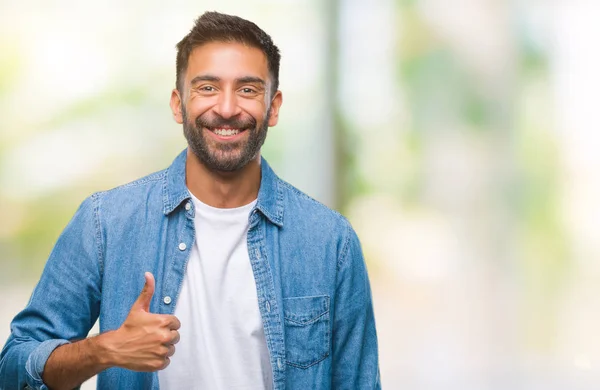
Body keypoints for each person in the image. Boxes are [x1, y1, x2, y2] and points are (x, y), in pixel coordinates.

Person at [0, 11, 380, 390]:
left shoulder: (330, 241)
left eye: (247, 89)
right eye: (207, 87)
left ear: (273, 106)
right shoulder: (106, 223)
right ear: (178, 104)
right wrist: (103, 349)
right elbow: (14, 366)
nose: (228, 108)